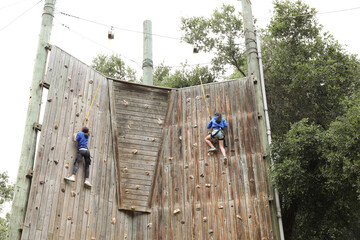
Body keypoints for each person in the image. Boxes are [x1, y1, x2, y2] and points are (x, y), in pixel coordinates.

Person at [64, 118, 92, 187]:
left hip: (81, 150)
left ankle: (73, 176)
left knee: (76, 162)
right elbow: (86, 129)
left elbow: (75, 140)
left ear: (82, 130)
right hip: (87, 151)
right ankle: (87, 180)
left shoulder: (80, 134)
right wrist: (88, 121)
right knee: (87, 166)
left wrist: (75, 135)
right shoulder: (87, 135)